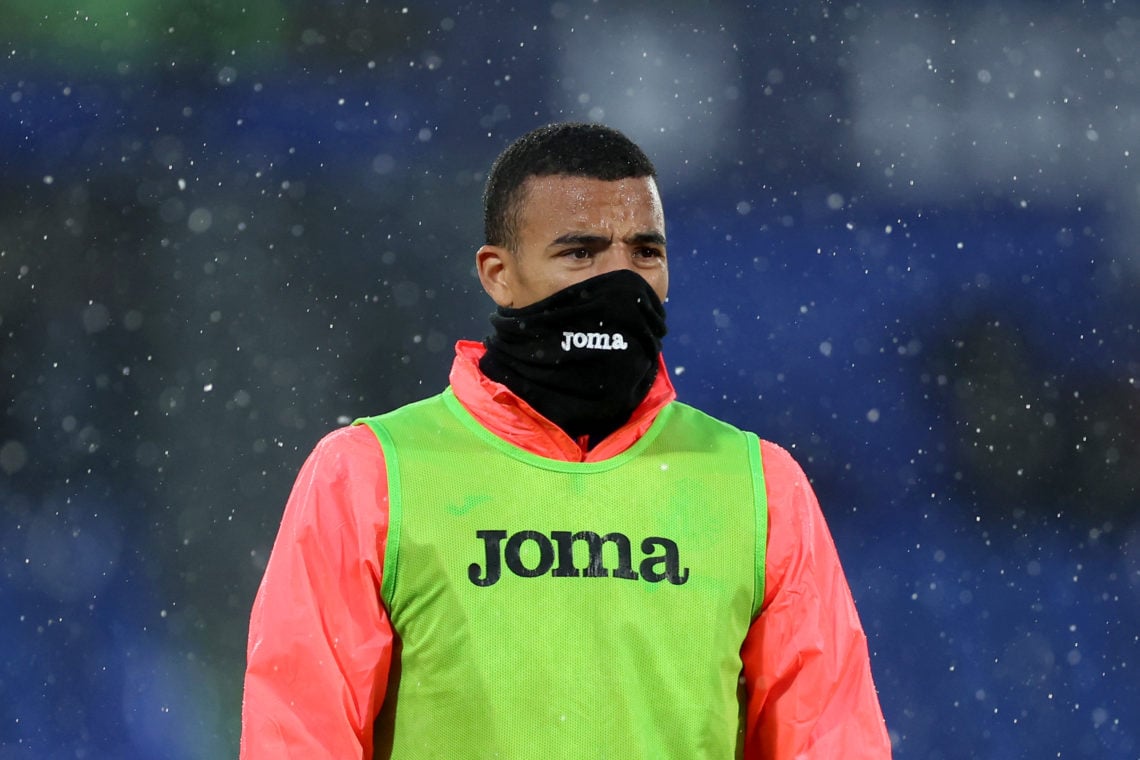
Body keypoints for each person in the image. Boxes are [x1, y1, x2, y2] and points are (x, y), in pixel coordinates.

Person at [240, 122, 891, 759]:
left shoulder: (759, 487)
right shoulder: (370, 478)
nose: (621, 281)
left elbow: (830, 738)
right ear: (498, 273)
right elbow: (298, 738)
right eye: (580, 252)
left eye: (646, 252)